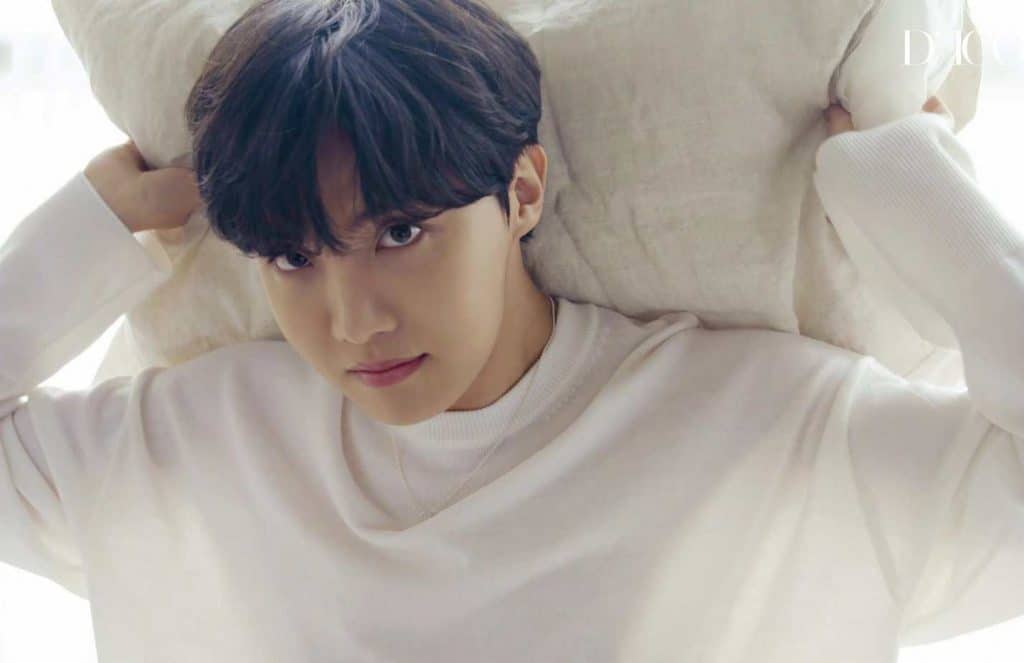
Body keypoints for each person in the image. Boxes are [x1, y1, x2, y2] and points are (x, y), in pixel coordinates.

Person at [1, 0, 1022, 661]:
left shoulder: (760, 424)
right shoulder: (202, 438)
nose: (353, 322)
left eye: (401, 232)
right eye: (293, 258)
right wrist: (91, 232)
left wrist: (906, 188)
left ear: (522, 191)